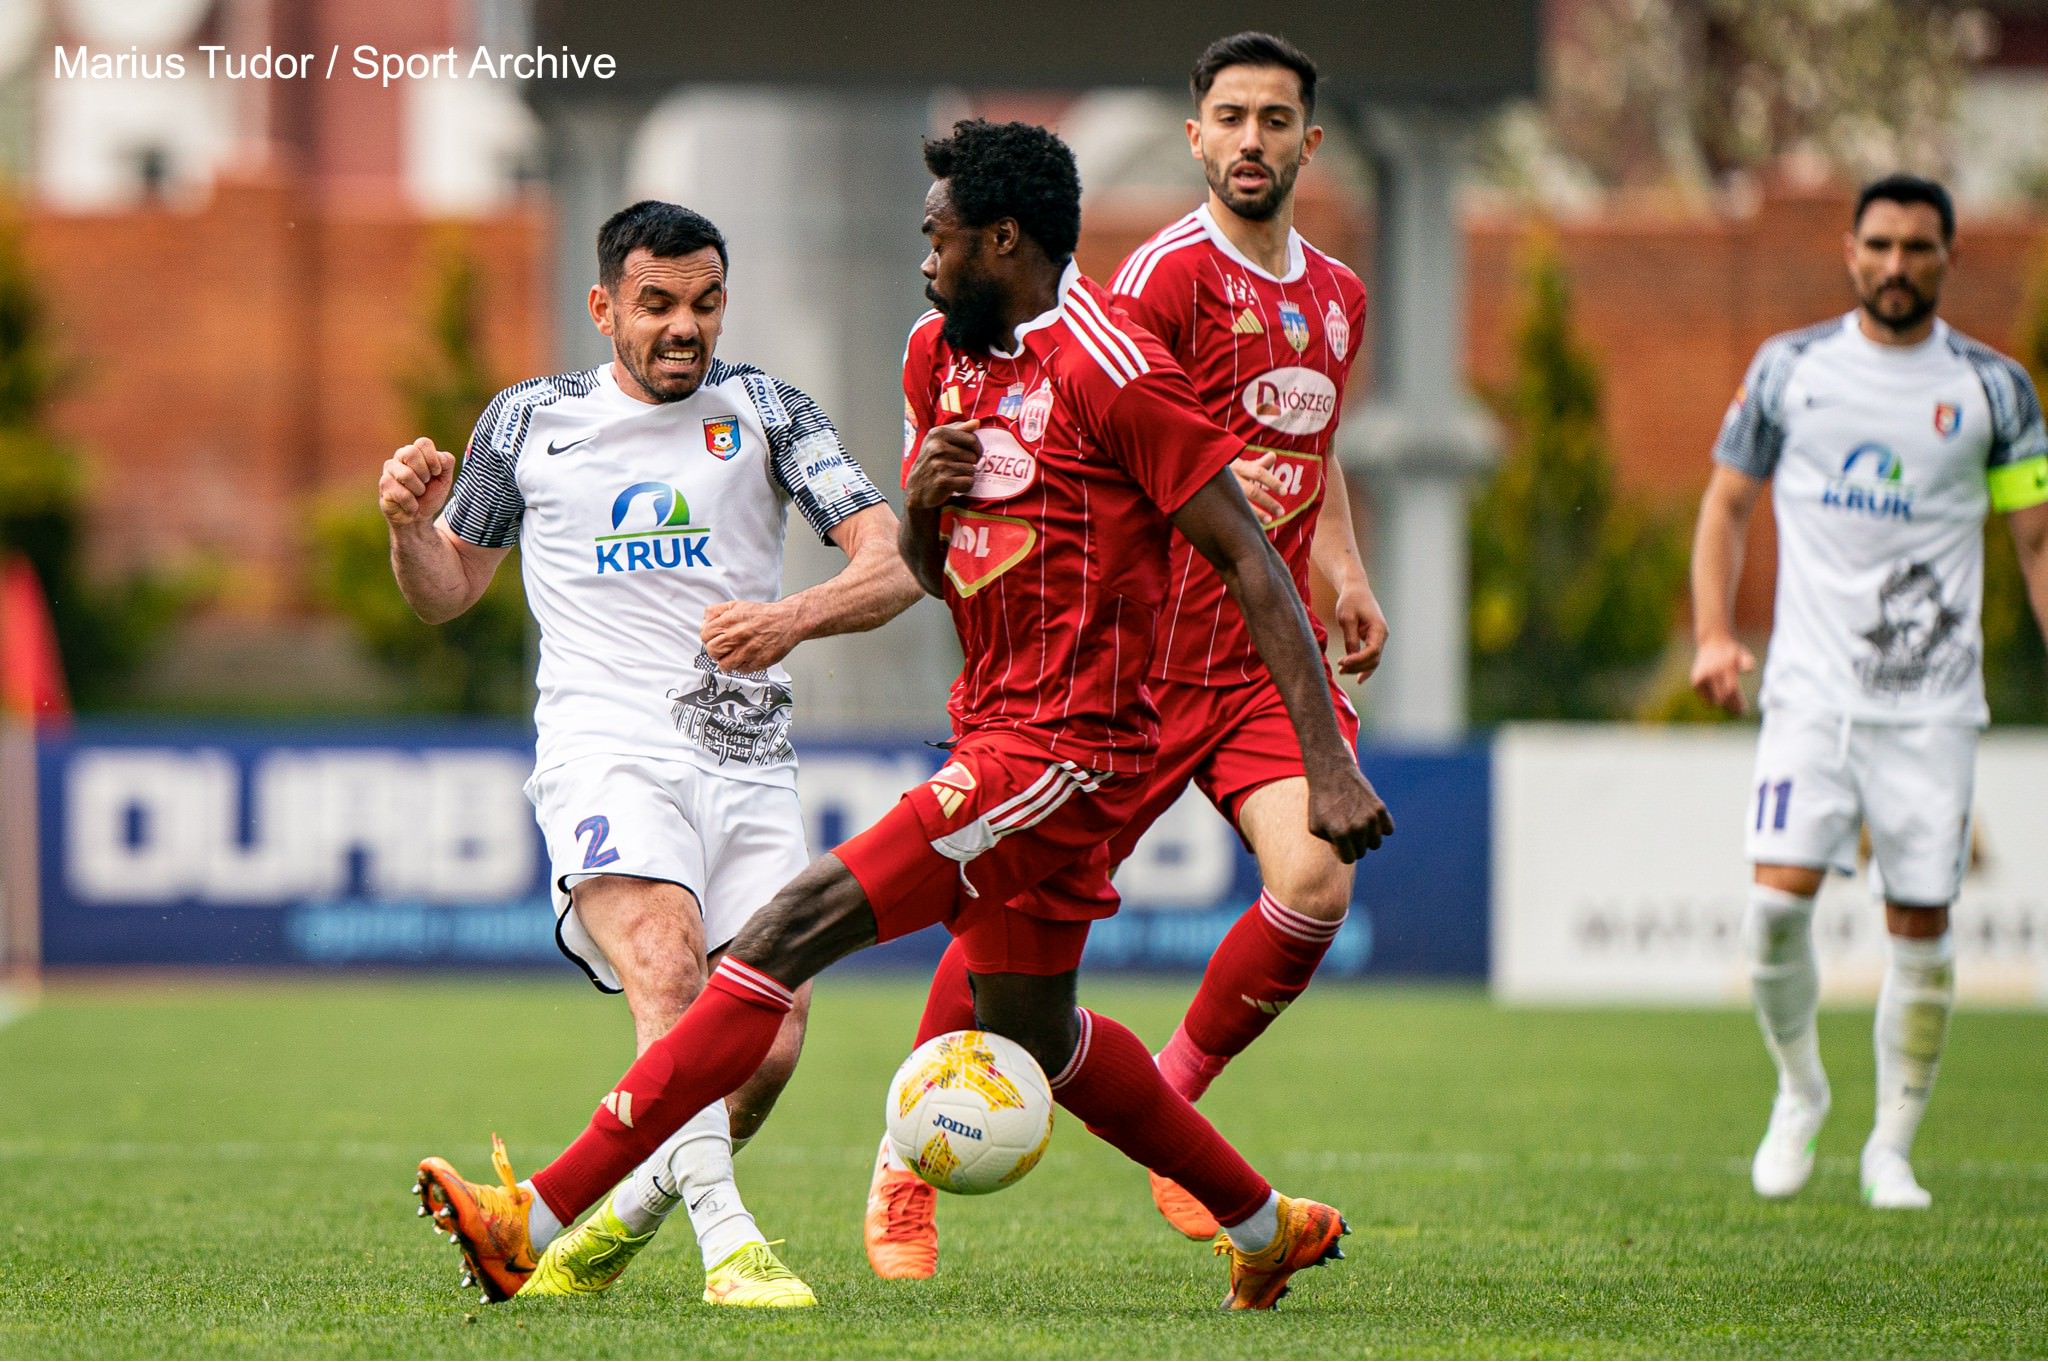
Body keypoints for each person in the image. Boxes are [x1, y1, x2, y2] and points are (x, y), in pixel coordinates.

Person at [411, 119, 1392, 1312]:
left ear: (1002, 239)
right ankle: (1265, 1225)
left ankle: (534, 1218)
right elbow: (927, 567)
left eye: (938, 237)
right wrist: (923, 503)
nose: (921, 259)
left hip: (1065, 754)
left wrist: (1324, 760)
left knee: (778, 936)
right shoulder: (939, 352)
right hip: (993, 732)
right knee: (1040, 1036)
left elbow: (1249, 557)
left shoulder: (1116, 369)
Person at [863, 32, 1385, 1276]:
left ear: (1308, 143)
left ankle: (1172, 1106)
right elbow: (1110, 441)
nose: (1250, 139)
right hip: (1134, 674)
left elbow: (1297, 454)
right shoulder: (1155, 283)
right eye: (1228, 117)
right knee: (1003, 923)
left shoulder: (1339, 299)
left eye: (1273, 119)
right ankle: (901, 1168)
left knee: (1315, 882)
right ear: (1193, 137)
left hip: (1253, 666)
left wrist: (1345, 567)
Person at [380, 200, 921, 1305]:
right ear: (603, 307)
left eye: (705, 302)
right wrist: (406, 530)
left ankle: (590, 1226)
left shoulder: (766, 409)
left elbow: (894, 559)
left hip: (747, 759)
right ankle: (733, 1248)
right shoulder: (528, 420)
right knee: (670, 973)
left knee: (768, 1040)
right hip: (604, 749)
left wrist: (791, 618)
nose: (685, 326)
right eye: (658, 303)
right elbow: (447, 591)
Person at [1689, 174, 2048, 1209]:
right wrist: (1712, 633)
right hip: (1808, 697)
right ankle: (1799, 1089)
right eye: (1879, 245)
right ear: (1849, 251)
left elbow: (2034, 540)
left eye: (1917, 247)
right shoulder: (1788, 369)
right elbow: (1724, 507)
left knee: (1920, 928)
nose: (1897, 265)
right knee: (1771, 914)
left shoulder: (1995, 392)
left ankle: (1890, 1146)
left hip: (1931, 708)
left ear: (1948, 257)